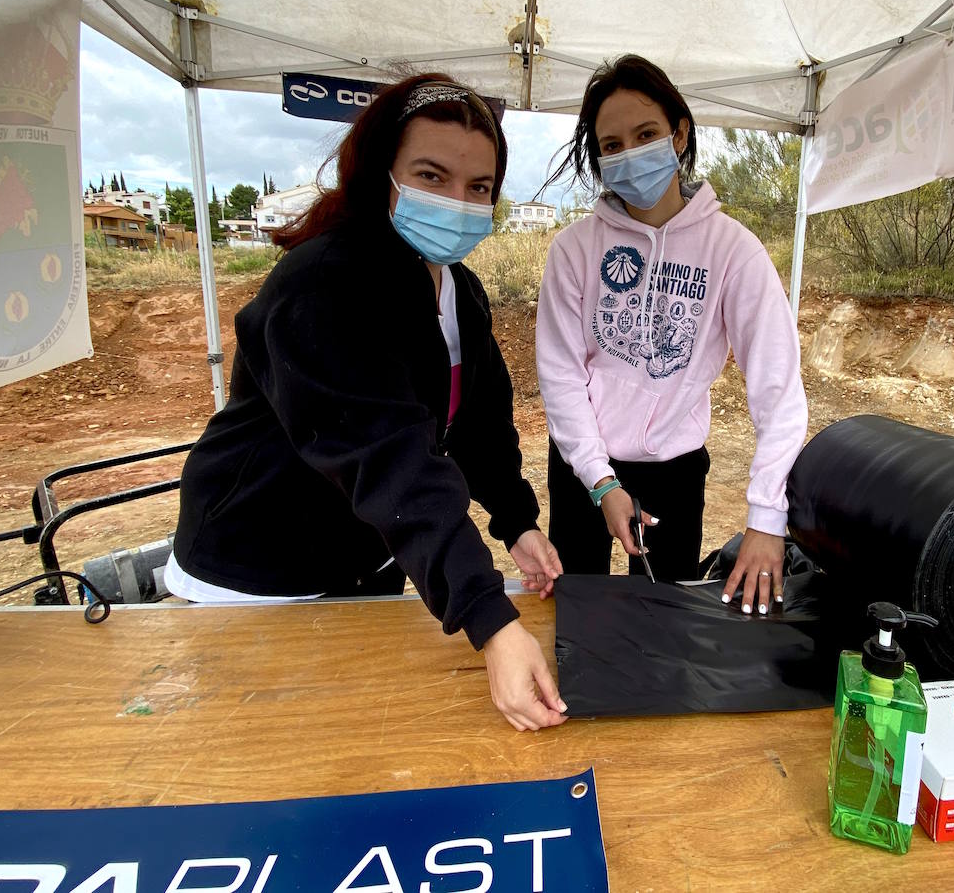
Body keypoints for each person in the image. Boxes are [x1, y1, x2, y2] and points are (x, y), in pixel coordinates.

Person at [167, 74, 567, 732]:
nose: (456, 202)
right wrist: (489, 619)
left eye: (478, 189)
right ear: (383, 171)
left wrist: (516, 521)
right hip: (258, 569)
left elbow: (478, 427)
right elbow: (392, 458)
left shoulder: (458, 292)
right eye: (431, 176)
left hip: (363, 555)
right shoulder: (327, 282)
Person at [536, 54, 808, 613]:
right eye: (611, 145)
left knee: (666, 623)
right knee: (575, 614)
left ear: (679, 134)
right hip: (581, 468)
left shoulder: (733, 250)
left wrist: (766, 517)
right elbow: (561, 373)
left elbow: (779, 390)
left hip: (674, 474)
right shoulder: (574, 250)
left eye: (646, 134)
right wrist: (600, 482)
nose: (630, 154)